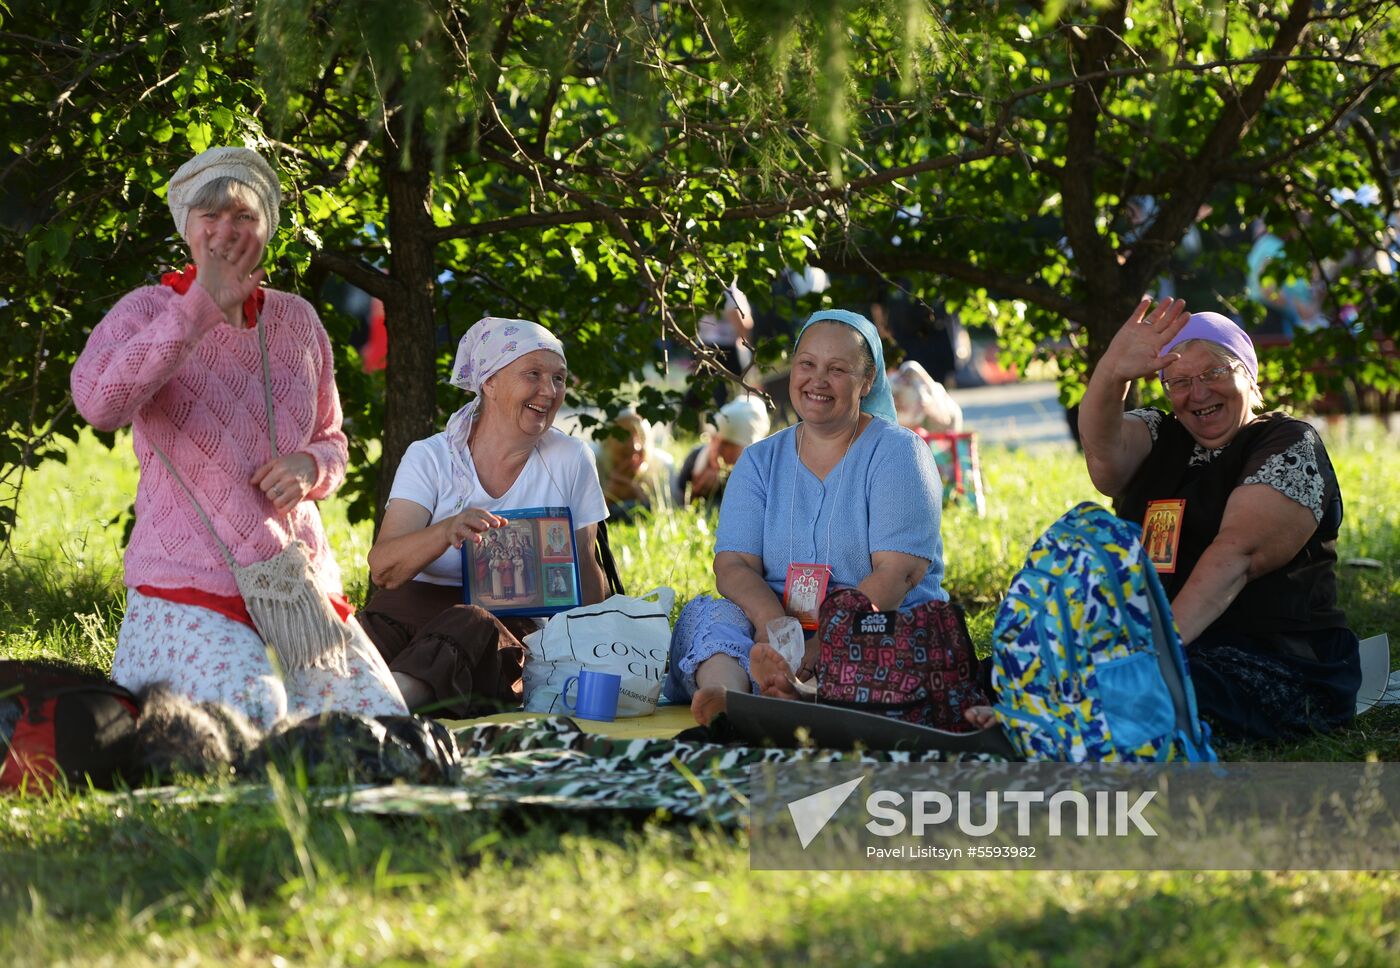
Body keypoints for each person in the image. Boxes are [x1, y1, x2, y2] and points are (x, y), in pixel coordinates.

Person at [70, 145, 407, 731]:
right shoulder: (147, 310)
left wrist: (310, 467)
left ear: (266, 229)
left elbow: (332, 439)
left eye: (244, 216)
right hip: (187, 582)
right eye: (211, 215)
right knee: (254, 718)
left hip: (292, 584)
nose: (227, 229)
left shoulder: (297, 320)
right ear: (186, 227)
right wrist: (200, 305)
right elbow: (99, 403)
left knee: (382, 726)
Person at [1071, 300, 1361, 739]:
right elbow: (1103, 461)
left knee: (1143, 692)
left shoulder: (1286, 441)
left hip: (1276, 657)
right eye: (1180, 382)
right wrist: (1112, 373)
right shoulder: (1162, 433)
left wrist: (1151, 657)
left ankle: (1052, 724)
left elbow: (1236, 555)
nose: (1198, 393)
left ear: (1248, 373)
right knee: (1050, 665)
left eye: (1214, 373)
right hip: (1169, 644)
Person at [663, 309, 948, 724]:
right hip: (776, 624)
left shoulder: (899, 454)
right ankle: (730, 699)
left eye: (837, 369)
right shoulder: (759, 460)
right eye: (807, 364)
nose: (817, 380)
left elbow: (898, 575)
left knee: (882, 636)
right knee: (711, 614)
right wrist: (774, 626)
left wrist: (821, 649)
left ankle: (799, 693)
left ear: (867, 381)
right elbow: (734, 565)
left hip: (869, 620)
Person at [361, 316, 609, 716]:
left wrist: (596, 652)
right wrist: (447, 531)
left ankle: (375, 710)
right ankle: (344, 701)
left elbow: (586, 574)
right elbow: (384, 570)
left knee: (471, 622)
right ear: (489, 383)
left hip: (501, 632)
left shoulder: (571, 459)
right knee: (369, 630)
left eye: (559, 378)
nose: (549, 391)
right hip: (407, 612)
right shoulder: (431, 457)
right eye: (533, 374)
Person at [672, 395, 771, 507]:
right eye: (714, 438)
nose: (716, 449)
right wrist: (694, 494)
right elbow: (677, 506)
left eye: (727, 444)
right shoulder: (695, 460)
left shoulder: (762, 478)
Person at [592, 410, 672, 522]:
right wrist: (608, 496)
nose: (635, 446)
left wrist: (641, 496)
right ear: (607, 443)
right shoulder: (591, 465)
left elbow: (671, 515)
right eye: (624, 436)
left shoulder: (663, 465)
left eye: (641, 435)